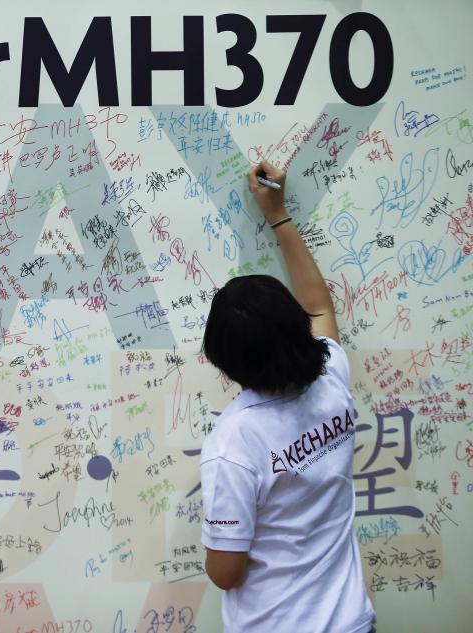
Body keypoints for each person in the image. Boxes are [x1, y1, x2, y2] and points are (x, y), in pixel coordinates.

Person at [197, 159, 378, 633]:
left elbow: (225, 572)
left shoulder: (236, 441)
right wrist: (278, 213)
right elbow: (319, 303)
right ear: (296, 328)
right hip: (352, 620)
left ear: (225, 362)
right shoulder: (330, 374)